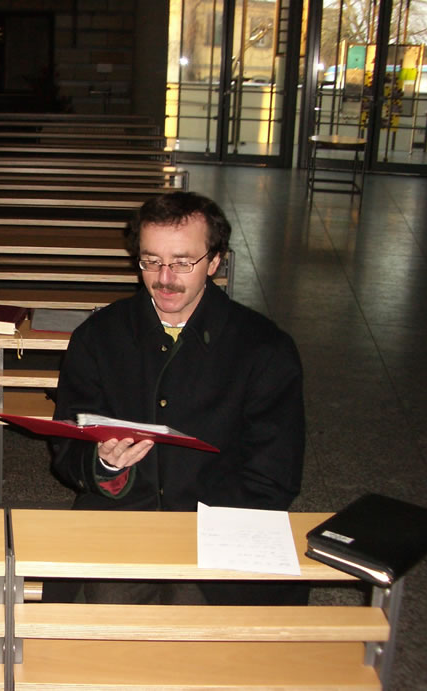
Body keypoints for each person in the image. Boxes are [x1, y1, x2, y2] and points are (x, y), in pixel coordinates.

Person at [49, 191, 306, 606]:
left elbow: (274, 474)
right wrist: (104, 463)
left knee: (205, 628)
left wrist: (202, 534)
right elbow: (66, 446)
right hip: (122, 522)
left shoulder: (264, 348)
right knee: (105, 621)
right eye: (151, 261)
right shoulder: (98, 337)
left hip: (223, 528)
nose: (164, 278)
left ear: (215, 261)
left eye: (182, 263)